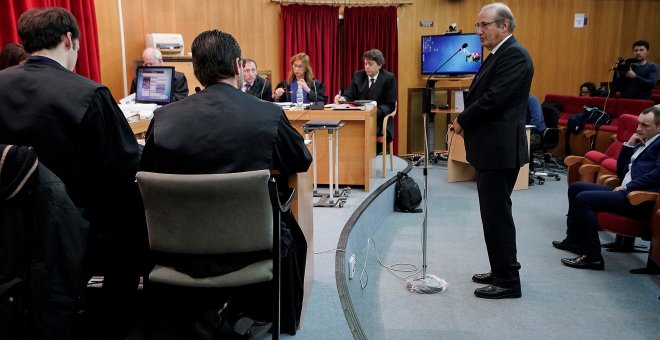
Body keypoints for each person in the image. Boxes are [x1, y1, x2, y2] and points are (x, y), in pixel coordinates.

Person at [139, 29, 313, 337]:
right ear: (237, 66)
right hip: (252, 249)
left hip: (179, 248)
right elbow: (301, 160)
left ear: (196, 70)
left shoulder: (163, 118)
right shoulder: (267, 115)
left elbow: (147, 172)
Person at [0, 6, 142, 336]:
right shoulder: (88, 94)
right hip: (75, 232)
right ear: (69, 40)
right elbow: (124, 166)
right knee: (130, 218)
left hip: (8, 230)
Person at [452, 3, 533, 299]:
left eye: (484, 25)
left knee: (497, 215)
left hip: (499, 151)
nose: (479, 31)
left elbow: (493, 100)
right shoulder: (498, 54)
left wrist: (463, 120)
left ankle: (508, 280)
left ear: (505, 26)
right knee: (493, 214)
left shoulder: (514, 55)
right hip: (491, 149)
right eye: (478, 25)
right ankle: (500, 269)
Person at [553, 106, 660, 271]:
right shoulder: (644, 141)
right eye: (638, 123)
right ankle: (573, 240)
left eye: (645, 125)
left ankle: (592, 257)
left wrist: (628, 186)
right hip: (626, 191)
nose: (638, 128)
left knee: (583, 199)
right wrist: (628, 145)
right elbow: (621, 170)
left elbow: (657, 174)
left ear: (659, 127)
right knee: (575, 188)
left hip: (640, 199)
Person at [334, 49, 397, 152]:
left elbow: (390, 105)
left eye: (370, 64)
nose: (367, 67)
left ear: (379, 65)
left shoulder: (388, 78)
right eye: (365, 63)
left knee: (364, 133)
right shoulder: (358, 75)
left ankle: (368, 162)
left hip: (379, 120)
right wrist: (342, 98)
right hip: (359, 118)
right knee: (345, 129)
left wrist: (373, 112)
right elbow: (349, 94)